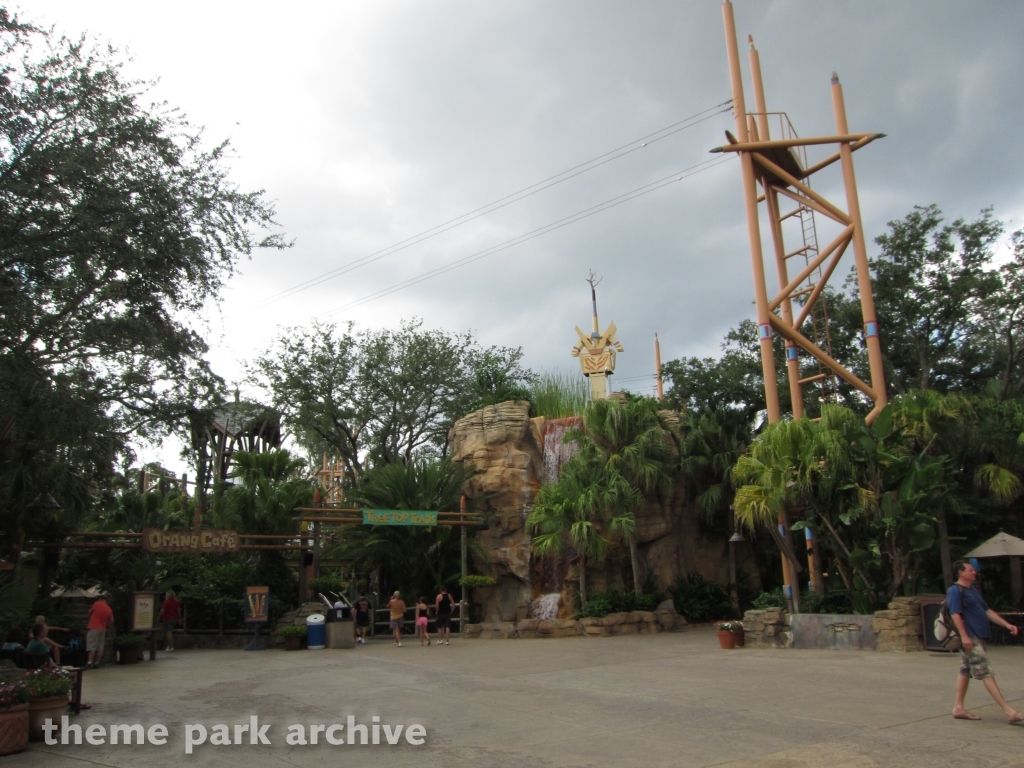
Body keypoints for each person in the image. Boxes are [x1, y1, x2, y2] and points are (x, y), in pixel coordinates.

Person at [947, 559, 1023, 723]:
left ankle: (958, 707)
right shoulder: (955, 591)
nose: (974, 572)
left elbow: (987, 611)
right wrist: (964, 636)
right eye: (970, 570)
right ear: (961, 573)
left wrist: (1006, 624)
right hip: (970, 637)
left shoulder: (973, 591)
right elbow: (955, 614)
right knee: (985, 672)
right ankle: (1009, 711)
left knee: (965, 670)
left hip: (979, 636)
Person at [86, 597, 114, 669]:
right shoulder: (109, 609)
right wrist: (106, 625)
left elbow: (89, 612)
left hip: (94, 626)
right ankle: (97, 662)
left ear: (99, 599)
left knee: (92, 645)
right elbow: (111, 620)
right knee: (100, 646)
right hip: (103, 628)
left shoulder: (96, 604)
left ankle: (89, 662)